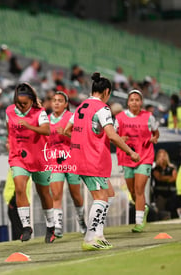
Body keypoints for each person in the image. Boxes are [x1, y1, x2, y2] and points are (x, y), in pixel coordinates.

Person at [64, 72, 139, 251]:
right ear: (106, 92)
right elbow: (112, 135)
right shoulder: (103, 109)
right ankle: (90, 238)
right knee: (100, 198)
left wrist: (84, 139)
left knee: (108, 194)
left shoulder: (81, 106)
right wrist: (131, 152)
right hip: (93, 160)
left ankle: (99, 234)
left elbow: (68, 130)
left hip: (80, 158)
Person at [6, 82, 55, 243]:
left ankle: (51, 226)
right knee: (19, 188)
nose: (22, 107)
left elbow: (47, 130)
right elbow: (10, 131)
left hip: (39, 157)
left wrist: (28, 125)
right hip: (19, 156)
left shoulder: (39, 112)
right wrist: (11, 144)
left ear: (32, 101)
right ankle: (26, 226)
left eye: (25, 104)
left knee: (43, 193)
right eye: (19, 104)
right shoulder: (9, 111)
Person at [115, 89, 159, 233]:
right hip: (126, 157)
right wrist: (120, 139)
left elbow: (156, 133)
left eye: (137, 99)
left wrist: (153, 139)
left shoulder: (149, 116)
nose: (134, 102)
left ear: (141, 102)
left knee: (140, 189)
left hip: (144, 157)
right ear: (128, 102)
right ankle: (143, 208)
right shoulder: (120, 118)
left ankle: (139, 221)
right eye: (132, 99)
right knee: (132, 191)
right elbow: (113, 136)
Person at [48, 91, 87, 238]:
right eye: (54, 100)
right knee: (56, 194)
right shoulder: (46, 119)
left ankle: (81, 221)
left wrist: (66, 134)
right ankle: (58, 226)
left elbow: (81, 137)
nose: (56, 103)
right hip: (54, 161)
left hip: (71, 160)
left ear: (65, 104)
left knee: (75, 195)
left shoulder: (71, 117)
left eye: (60, 101)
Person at [152, 149, 178, 219]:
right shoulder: (156, 169)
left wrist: (164, 178)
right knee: (161, 213)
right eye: (160, 156)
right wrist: (168, 178)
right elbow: (159, 177)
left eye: (164, 156)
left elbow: (174, 178)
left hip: (171, 194)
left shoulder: (172, 168)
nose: (162, 158)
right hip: (160, 195)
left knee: (173, 212)